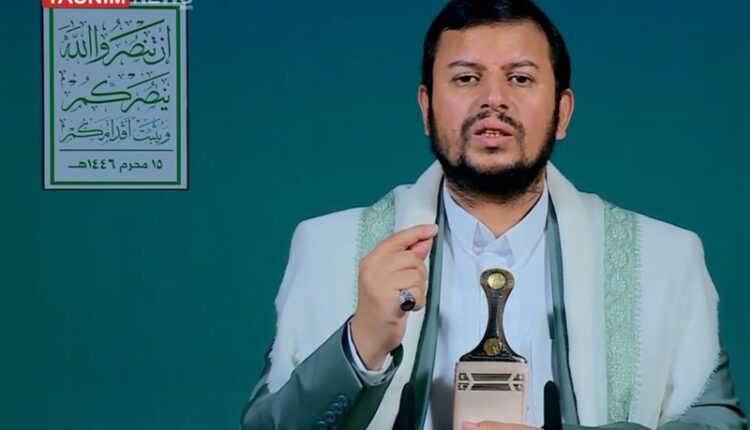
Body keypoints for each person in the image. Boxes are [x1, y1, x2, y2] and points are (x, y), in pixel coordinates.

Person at [239, 0, 746, 429]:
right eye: (466, 78)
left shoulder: (665, 258)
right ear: (426, 108)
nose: (493, 100)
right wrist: (360, 343)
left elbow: (717, 424)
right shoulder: (329, 247)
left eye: (520, 78)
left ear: (562, 112)